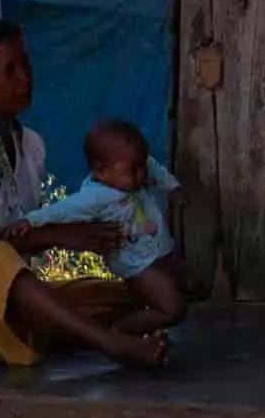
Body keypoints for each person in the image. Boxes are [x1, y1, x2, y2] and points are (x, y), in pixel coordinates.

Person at [0, 15, 169, 373]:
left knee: (135, 294)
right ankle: (112, 344)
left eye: (25, 63)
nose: (25, 76)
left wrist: (93, 235)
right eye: (10, 70)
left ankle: (75, 330)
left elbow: (20, 231)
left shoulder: (30, 145)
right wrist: (55, 235)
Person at [22, 115, 190, 329]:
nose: (141, 175)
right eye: (131, 171)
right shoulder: (96, 197)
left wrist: (172, 188)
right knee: (172, 309)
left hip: (160, 254)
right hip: (139, 269)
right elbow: (60, 211)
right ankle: (121, 332)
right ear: (100, 171)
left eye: (141, 167)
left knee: (181, 288)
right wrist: (29, 221)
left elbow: (154, 167)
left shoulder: (136, 169)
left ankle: (144, 330)